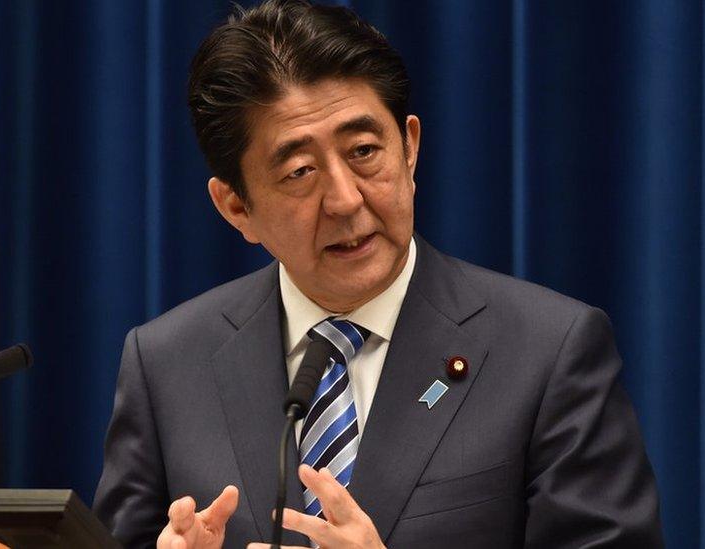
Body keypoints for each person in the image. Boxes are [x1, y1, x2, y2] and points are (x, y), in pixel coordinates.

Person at [92, 1, 664, 547]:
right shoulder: (166, 364)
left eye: (364, 151)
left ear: (409, 148)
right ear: (236, 207)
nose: (344, 199)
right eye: (299, 171)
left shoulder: (549, 352)